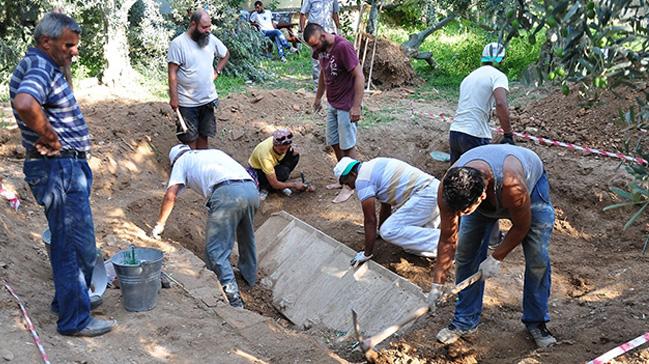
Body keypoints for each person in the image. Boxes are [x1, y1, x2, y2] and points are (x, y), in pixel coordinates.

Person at [10, 12, 115, 337]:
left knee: (81, 246)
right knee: (70, 245)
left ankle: (69, 300)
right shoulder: (40, 66)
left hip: (67, 168)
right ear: (46, 42)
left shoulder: (43, 65)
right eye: (69, 45)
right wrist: (50, 137)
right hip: (59, 168)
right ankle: (74, 320)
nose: (74, 52)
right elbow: (26, 103)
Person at [428, 144, 556, 349]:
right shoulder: (449, 187)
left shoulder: (513, 187)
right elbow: (447, 238)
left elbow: (522, 226)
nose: (460, 216)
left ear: (481, 197)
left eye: (465, 211)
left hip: (531, 188)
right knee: (466, 254)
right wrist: (437, 284)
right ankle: (465, 321)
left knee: (537, 258)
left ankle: (536, 322)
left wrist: (496, 257)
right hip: (485, 191)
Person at [151, 145, 259, 308]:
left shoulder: (181, 162)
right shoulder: (211, 153)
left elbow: (170, 195)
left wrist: (159, 225)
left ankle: (232, 296)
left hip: (227, 194)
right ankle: (249, 277)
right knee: (246, 236)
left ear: (173, 161)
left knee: (215, 249)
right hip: (251, 190)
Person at [333, 157, 441, 266]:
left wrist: (367, 253)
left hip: (426, 196)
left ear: (352, 174)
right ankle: (447, 250)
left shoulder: (362, 181)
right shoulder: (372, 165)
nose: (348, 187)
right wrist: (379, 230)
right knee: (411, 246)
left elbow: (370, 220)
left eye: (346, 182)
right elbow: (386, 204)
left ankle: (452, 243)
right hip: (436, 192)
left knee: (389, 231)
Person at [303, 23, 365, 203]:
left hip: (347, 104)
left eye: (315, 45)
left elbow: (359, 76)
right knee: (334, 141)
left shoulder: (343, 47)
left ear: (323, 36)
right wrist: (318, 98)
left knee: (348, 145)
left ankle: (351, 185)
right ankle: (344, 178)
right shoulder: (320, 50)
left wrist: (356, 106)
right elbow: (323, 73)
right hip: (333, 103)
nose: (314, 50)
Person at [167, 9, 230, 149]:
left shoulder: (211, 39)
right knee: (190, 140)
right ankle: (190, 167)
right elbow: (172, 72)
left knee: (204, 136)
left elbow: (225, 54)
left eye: (209, 26)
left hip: (207, 99)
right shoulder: (178, 44)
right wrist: (174, 98)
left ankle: (202, 167)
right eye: (204, 27)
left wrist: (217, 71)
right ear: (193, 24)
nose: (208, 30)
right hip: (187, 102)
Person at [449, 42, 514, 165]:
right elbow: (500, 103)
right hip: (475, 135)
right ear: (501, 60)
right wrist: (508, 133)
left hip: (455, 133)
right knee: (479, 180)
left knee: (454, 179)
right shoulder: (498, 76)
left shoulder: (469, 77)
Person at [247, 129, 312, 198]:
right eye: (281, 149)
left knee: (294, 156)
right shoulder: (266, 157)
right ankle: (265, 187)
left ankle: (281, 182)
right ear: (274, 145)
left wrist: (292, 150)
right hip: (259, 170)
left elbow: (290, 149)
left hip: (275, 163)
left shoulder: (280, 140)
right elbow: (274, 184)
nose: (284, 151)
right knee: (283, 173)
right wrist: (294, 185)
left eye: (286, 148)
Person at [299, 0, 341, 88]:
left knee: (331, 59)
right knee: (317, 60)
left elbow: (335, 13)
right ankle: (317, 86)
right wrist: (302, 31)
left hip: (328, 32)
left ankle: (331, 85)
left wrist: (338, 28)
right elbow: (303, 14)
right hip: (315, 34)